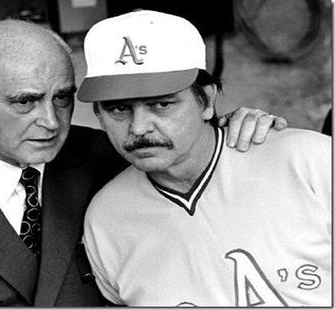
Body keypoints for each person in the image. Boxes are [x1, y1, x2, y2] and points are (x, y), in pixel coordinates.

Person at [0, 19, 287, 307]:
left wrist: (232, 128)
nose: (51, 122)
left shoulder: (106, 153)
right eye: (25, 101)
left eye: (62, 97)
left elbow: (188, 157)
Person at [80, 10, 331, 307]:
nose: (139, 127)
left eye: (161, 104)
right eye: (118, 109)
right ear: (98, 114)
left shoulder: (310, 160)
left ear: (207, 101)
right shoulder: (105, 218)